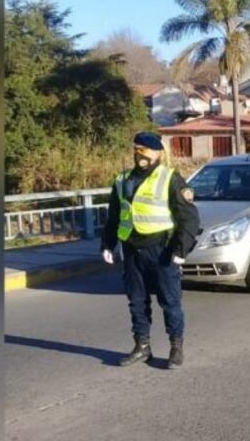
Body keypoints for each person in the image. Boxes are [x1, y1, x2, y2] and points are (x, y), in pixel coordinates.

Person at [101, 131, 200, 369]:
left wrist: (180, 250)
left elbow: (189, 218)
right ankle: (142, 347)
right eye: (137, 150)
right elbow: (114, 215)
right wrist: (107, 243)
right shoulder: (122, 179)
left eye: (145, 151)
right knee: (136, 301)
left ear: (157, 153)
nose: (140, 155)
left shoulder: (170, 179)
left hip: (162, 250)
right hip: (132, 250)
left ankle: (176, 347)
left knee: (170, 301)